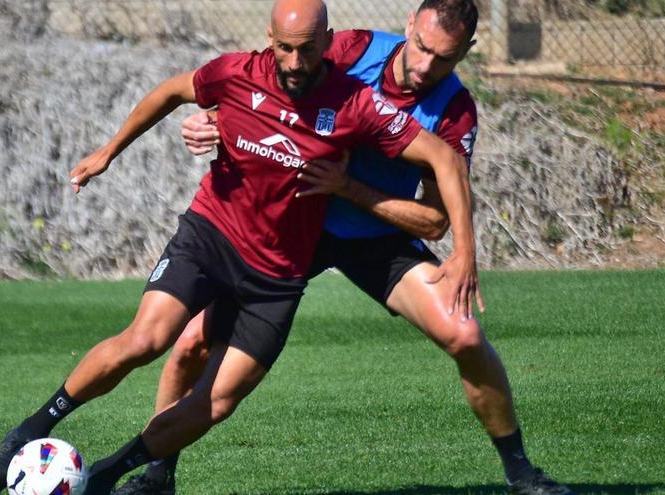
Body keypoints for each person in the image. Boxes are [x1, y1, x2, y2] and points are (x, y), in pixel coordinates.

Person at [0, 0, 480, 493]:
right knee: (147, 341)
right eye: (284, 48)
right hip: (211, 237)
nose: (295, 63)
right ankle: (31, 428)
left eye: (307, 50)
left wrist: (464, 252)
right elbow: (172, 92)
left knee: (216, 402)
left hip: (277, 278)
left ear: (328, 43)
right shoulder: (235, 74)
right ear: (269, 39)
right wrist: (109, 151)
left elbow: (444, 159)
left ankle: (105, 477)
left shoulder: (355, 104)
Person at [112, 1, 576, 495]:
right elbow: (259, 81)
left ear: (467, 52)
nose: (425, 67)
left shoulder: (455, 111)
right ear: (408, 27)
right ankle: (157, 474)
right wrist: (212, 122)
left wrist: (357, 193)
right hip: (293, 228)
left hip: (378, 238)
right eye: (421, 47)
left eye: (445, 58)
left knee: (464, 336)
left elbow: (435, 220)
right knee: (191, 343)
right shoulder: (351, 50)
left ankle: (521, 473)